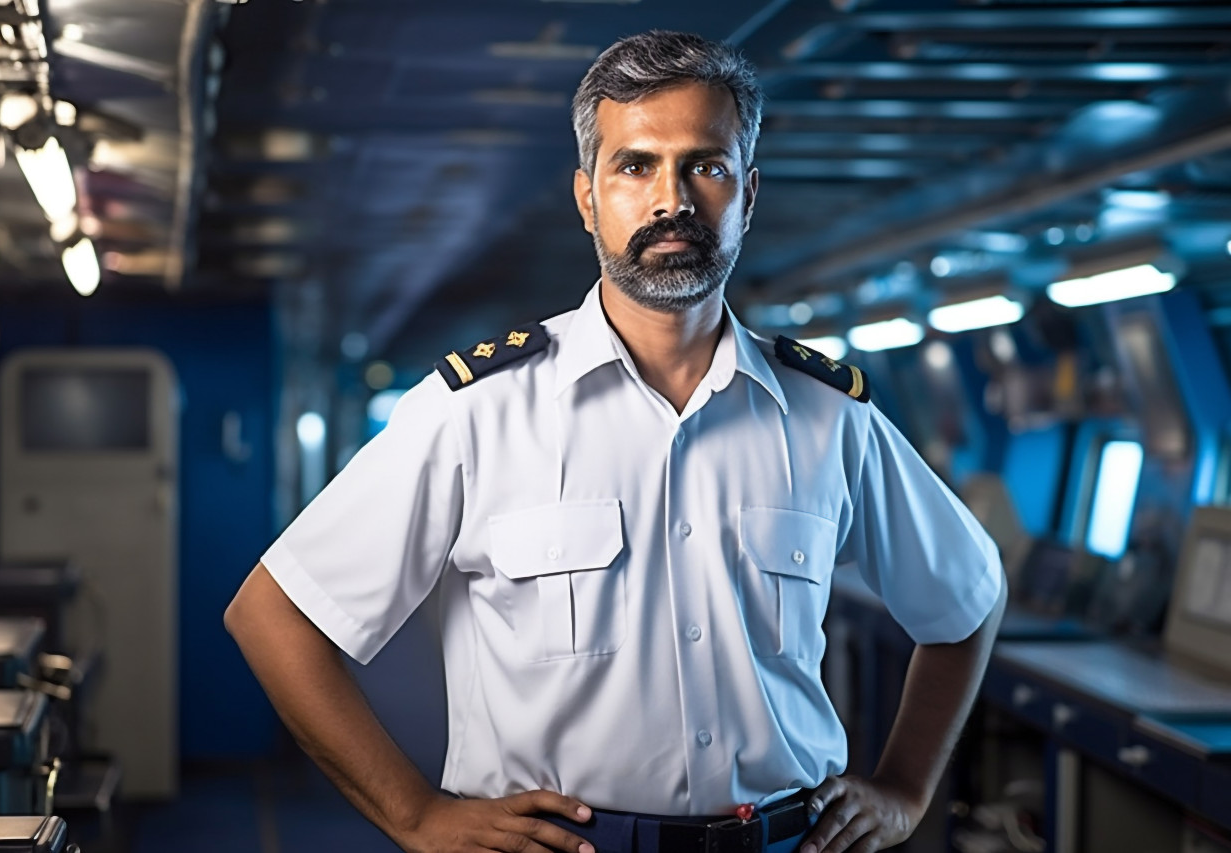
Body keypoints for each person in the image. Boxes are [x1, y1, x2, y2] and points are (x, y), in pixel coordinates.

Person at [225, 30, 1007, 853]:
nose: (672, 199)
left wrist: (905, 789)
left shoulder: (828, 417)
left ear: (748, 193)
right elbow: (274, 614)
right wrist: (414, 814)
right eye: (635, 166)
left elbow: (967, 596)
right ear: (587, 198)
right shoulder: (476, 411)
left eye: (705, 165)